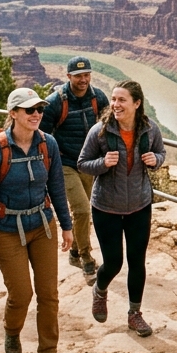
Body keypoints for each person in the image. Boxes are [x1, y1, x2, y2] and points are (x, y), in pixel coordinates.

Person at [0, 87, 75, 353]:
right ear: (13, 114)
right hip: (7, 230)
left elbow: (57, 186)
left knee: (49, 294)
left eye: (40, 110)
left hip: (42, 225)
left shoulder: (48, 145)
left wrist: (67, 226)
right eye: (29, 110)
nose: (36, 115)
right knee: (21, 293)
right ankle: (12, 330)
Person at [76, 80, 166, 337]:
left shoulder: (150, 130)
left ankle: (134, 314)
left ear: (137, 104)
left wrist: (155, 160)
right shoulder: (100, 132)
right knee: (113, 262)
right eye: (114, 99)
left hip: (139, 205)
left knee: (137, 262)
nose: (115, 104)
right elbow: (83, 163)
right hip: (106, 207)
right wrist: (103, 163)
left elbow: (161, 153)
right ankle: (100, 290)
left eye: (122, 100)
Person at [40, 56, 110, 285]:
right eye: (78, 75)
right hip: (65, 164)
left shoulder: (98, 97)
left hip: (89, 163)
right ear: (68, 76)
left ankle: (73, 252)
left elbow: (108, 127)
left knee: (86, 209)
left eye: (87, 74)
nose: (83, 79)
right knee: (81, 210)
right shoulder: (55, 103)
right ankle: (86, 258)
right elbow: (42, 137)